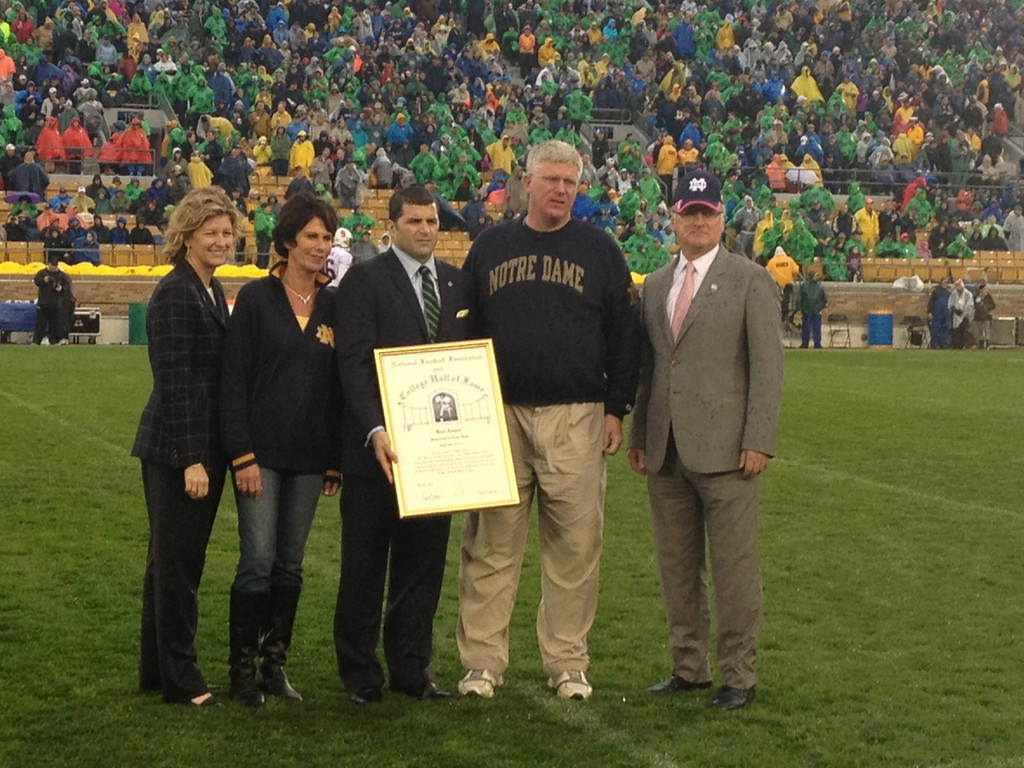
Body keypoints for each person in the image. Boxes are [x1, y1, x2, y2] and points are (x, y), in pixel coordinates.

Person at [456, 140, 640, 701]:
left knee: (575, 548)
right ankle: (482, 662)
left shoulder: (600, 249)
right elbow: (463, 329)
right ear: (527, 183)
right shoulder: (491, 244)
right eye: (551, 179)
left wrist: (616, 408)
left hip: (576, 416)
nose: (561, 189)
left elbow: (625, 336)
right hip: (500, 414)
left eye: (570, 182)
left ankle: (567, 661)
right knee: (491, 547)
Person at [627, 169, 784, 711]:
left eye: (708, 213)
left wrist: (759, 438)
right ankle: (687, 667)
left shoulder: (751, 279)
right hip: (666, 448)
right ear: (673, 218)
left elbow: (769, 368)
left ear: (722, 217)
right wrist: (640, 432)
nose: (698, 221)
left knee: (735, 570)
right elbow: (651, 368)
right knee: (676, 567)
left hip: (729, 452)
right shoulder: (654, 285)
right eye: (689, 213)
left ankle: (739, 675)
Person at [331, 185, 475, 705]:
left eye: (432, 222)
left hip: (437, 456)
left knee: (422, 569)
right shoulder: (364, 281)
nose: (424, 230)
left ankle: (413, 670)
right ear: (390, 226)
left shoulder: (458, 284)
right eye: (414, 221)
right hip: (377, 454)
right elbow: (352, 363)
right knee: (364, 568)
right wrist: (374, 429)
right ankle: (361, 674)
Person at [220, 192, 342, 707]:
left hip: (311, 459)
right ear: (288, 241)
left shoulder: (336, 304)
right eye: (311, 236)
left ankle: (275, 667)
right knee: (258, 560)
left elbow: (340, 388)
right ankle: (242, 670)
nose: (320, 246)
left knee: (290, 566)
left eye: (327, 237)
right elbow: (233, 380)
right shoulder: (255, 299)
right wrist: (242, 455)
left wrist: (335, 457)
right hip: (260, 457)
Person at [132, 186, 243, 708]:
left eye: (227, 233)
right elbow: (173, 379)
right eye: (212, 233)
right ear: (188, 236)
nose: (221, 241)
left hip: (188, 445)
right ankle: (182, 678)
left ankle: (157, 670)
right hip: (178, 448)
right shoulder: (179, 291)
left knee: (167, 563)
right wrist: (192, 458)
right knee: (179, 567)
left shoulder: (208, 286)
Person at [32, 254, 73, 345]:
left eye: (55, 266)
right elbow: (36, 280)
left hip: (56, 305)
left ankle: (53, 340)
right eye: (52, 265)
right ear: (49, 264)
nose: (54, 268)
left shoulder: (62, 275)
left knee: (54, 325)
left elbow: (67, 287)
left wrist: (61, 288)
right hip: (43, 303)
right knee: (40, 324)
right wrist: (43, 280)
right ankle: (36, 341)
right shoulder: (42, 273)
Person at [766, 245, 800, 320]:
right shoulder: (789, 260)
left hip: (777, 286)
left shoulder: (772, 262)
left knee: (778, 301)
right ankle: (786, 314)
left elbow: (766, 272)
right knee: (787, 300)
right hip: (788, 284)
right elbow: (796, 270)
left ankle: (780, 316)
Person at [798, 270, 827, 349]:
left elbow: (823, 297)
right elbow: (801, 298)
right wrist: (801, 308)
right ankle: (805, 343)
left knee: (817, 328)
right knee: (806, 328)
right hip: (807, 310)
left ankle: (817, 343)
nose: (816, 277)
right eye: (815, 275)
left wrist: (823, 306)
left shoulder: (820, 286)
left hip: (817, 310)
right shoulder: (804, 286)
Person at [948, 279, 975, 349]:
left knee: (963, 331)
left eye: (959, 286)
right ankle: (955, 345)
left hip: (965, 316)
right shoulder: (953, 294)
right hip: (955, 316)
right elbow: (950, 304)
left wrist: (963, 311)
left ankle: (961, 345)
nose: (958, 287)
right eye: (956, 286)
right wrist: (955, 310)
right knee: (955, 331)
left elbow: (970, 305)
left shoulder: (968, 294)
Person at [927, 276, 952, 349]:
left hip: (946, 314)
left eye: (946, 283)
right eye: (944, 282)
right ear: (941, 283)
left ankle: (942, 344)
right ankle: (934, 344)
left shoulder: (948, 293)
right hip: (937, 314)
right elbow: (931, 303)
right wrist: (930, 312)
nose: (945, 284)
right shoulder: (936, 292)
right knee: (935, 330)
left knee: (945, 329)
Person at [974, 282, 996, 349]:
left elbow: (993, 305)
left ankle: (987, 343)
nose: (985, 290)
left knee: (986, 329)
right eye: (984, 289)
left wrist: (987, 308)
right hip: (979, 315)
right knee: (980, 329)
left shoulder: (988, 296)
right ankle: (981, 343)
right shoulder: (976, 296)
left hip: (986, 315)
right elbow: (974, 305)